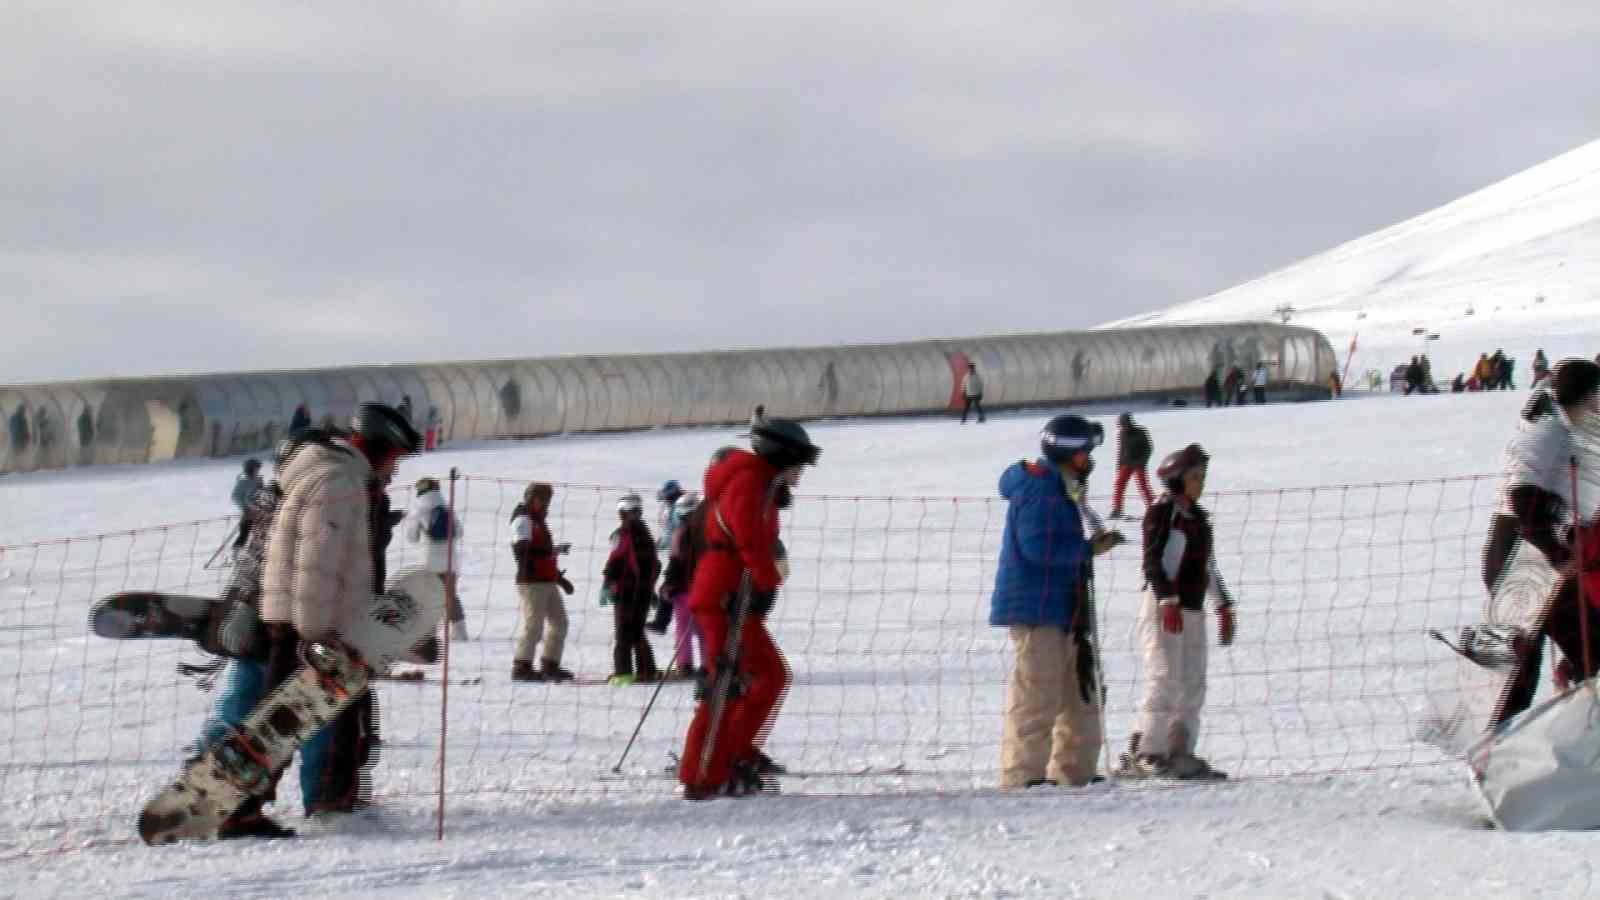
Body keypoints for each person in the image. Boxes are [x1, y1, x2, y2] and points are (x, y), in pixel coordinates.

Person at [235, 402, 419, 836]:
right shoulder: (340, 480)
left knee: (294, 719)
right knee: (284, 722)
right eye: (395, 455)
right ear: (379, 446)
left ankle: (331, 799)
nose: (395, 467)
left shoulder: (337, 472)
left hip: (308, 620)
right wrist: (319, 635)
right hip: (313, 624)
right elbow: (316, 562)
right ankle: (247, 805)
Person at [678, 418, 821, 798]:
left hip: (733, 593)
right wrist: (765, 577)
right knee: (727, 684)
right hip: (724, 595)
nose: (800, 473)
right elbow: (746, 535)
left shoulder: (761, 483)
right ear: (781, 456)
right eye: (798, 464)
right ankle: (702, 774)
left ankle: (735, 751)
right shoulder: (749, 482)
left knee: (770, 675)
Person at [989, 415, 1123, 789]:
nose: (1090, 460)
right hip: (1036, 609)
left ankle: (1072, 773)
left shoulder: (1062, 486)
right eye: (1086, 452)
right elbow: (1036, 548)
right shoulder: (1041, 489)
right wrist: (1086, 549)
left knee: (1079, 692)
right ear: (1070, 452)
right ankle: (1023, 777)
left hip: (1065, 607)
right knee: (1038, 695)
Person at [1483, 358, 1600, 727]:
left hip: (1530, 551)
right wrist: (1556, 552)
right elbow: (1523, 496)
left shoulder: (1568, 430)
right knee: (1528, 661)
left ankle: (1503, 745)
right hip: (1522, 554)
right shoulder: (1550, 430)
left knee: (1522, 661)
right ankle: (1503, 752)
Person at [1123, 443, 1237, 780]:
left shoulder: (1199, 519)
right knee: (1164, 676)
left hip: (1192, 610)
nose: (1200, 483)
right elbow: (1152, 561)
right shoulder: (1162, 512)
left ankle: (1180, 749)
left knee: (1192, 681)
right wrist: (1166, 599)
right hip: (1163, 609)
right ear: (1175, 479)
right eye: (1194, 477)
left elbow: (1207, 567)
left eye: (1203, 476)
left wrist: (1223, 604)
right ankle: (1146, 750)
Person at [510, 482, 575, 682]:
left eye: (547, 501)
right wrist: (550, 551)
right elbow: (522, 550)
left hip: (546, 580)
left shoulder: (538, 520)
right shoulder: (523, 519)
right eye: (542, 500)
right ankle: (522, 666)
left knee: (560, 622)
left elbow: (540, 552)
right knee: (534, 625)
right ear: (532, 498)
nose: (545, 504)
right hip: (531, 582)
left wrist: (559, 577)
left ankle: (550, 663)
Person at [603, 493, 661, 683]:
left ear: (622, 513)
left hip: (626, 591)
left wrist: (607, 583)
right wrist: (650, 588)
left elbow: (615, 562)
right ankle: (647, 670)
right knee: (637, 631)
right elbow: (655, 564)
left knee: (623, 633)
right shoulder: (646, 533)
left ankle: (623, 673)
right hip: (643, 591)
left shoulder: (622, 534)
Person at [651, 490, 706, 677]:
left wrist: (669, 584)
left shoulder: (681, 534)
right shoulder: (706, 532)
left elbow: (676, 562)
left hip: (686, 589)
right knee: (701, 629)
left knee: (686, 629)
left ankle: (687, 665)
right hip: (699, 588)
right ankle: (705, 664)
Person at [405, 477, 468, 641]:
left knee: (429, 598)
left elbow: (411, 537)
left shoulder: (418, 510)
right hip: (450, 562)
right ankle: (460, 632)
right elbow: (460, 532)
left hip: (429, 563)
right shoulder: (447, 508)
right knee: (450, 596)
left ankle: (429, 634)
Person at [1109, 413, 1154, 521]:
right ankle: (1117, 509)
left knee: (1143, 486)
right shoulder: (1121, 434)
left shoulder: (1140, 432)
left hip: (1138, 463)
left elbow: (1148, 448)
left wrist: (1142, 462)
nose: (1123, 427)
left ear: (1129, 423)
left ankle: (1153, 509)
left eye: (1124, 424)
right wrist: (1119, 464)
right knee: (1119, 485)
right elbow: (1121, 450)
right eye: (1121, 425)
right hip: (1126, 463)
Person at [231, 458, 264, 550]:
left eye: (258, 469)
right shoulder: (244, 481)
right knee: (245, 533)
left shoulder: (258, 480)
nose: (258, 471)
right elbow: (235, 496)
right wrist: (245, 507)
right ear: (250, 469)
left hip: (260, 512)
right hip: (248, 512)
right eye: (256, 469)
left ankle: (256, 552)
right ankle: (236, 551)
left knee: (260, 534)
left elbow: (261, 494)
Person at [656, 479, 685, 553]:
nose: (665, 501)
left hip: (680, 552)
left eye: (666, 498)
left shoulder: (675, 511)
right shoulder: (684, 507)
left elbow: (670, 534)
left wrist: (657, 546)